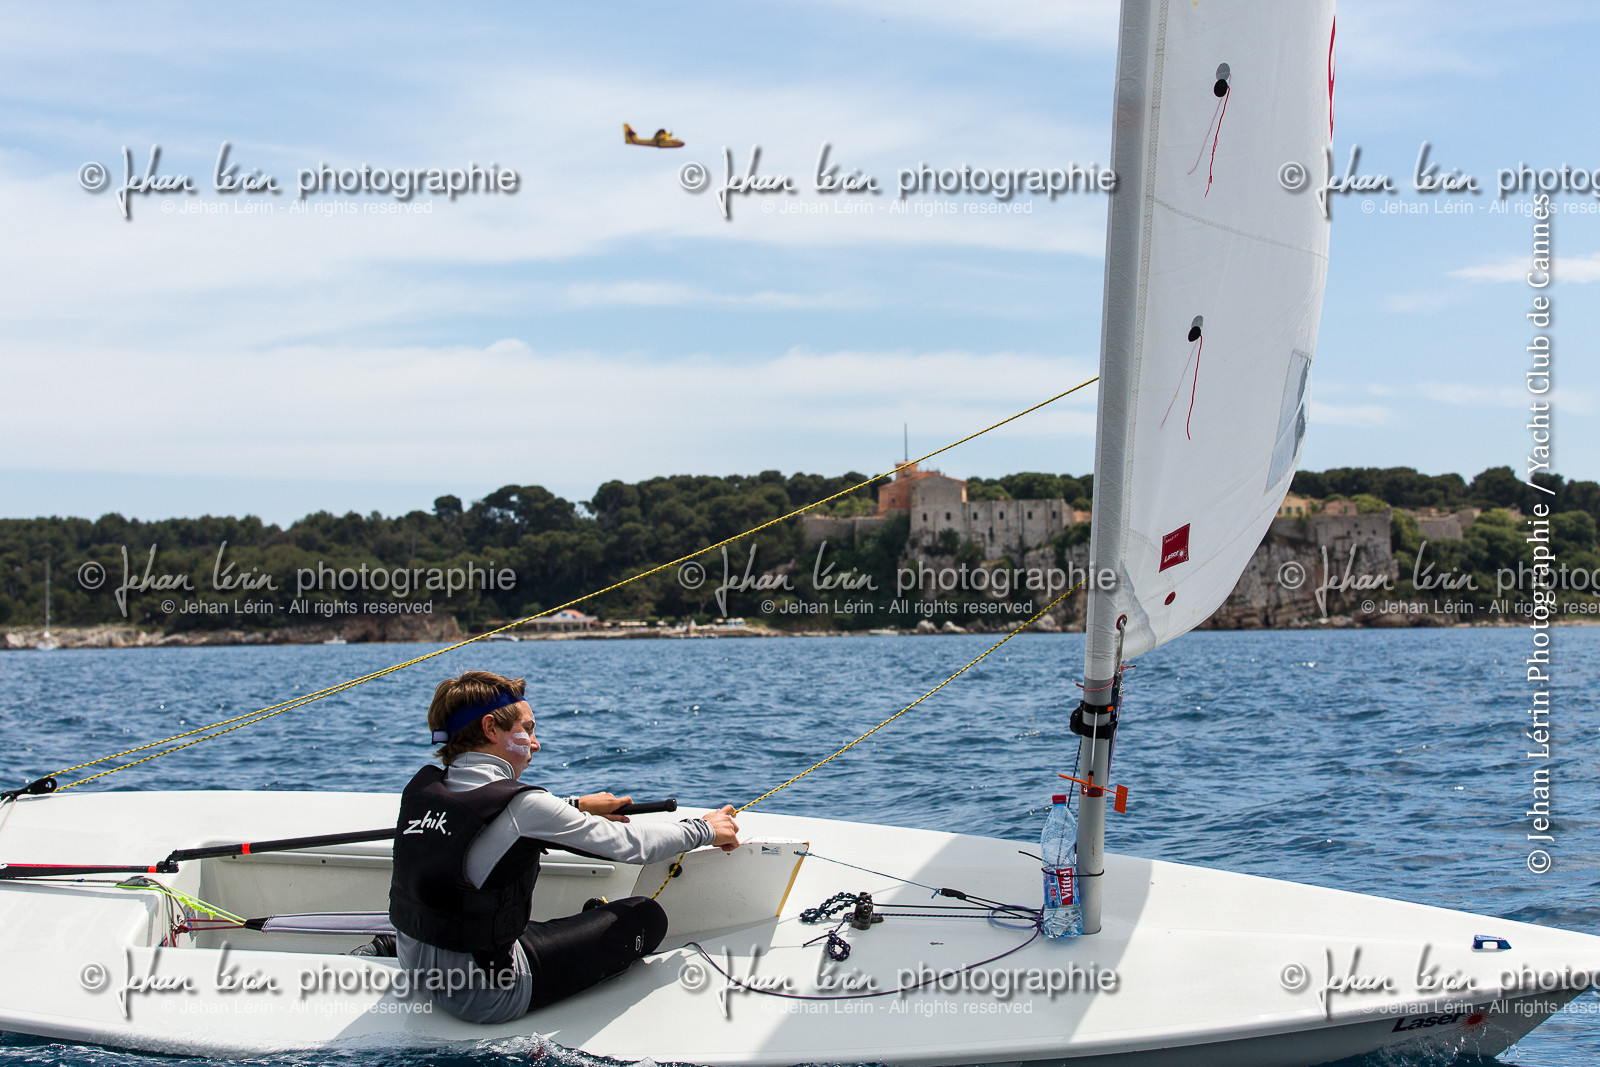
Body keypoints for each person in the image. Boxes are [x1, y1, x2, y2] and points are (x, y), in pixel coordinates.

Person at [383, 670, 740, 1023]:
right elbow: (632, 845)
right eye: (527, 729)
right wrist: (704, 828)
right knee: (645, 916)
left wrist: (576, 807)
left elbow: (490, 821)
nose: (535, 743)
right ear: (490, 728)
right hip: (486, 996)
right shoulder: (524, 807)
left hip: (418, 970)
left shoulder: (425, 790)